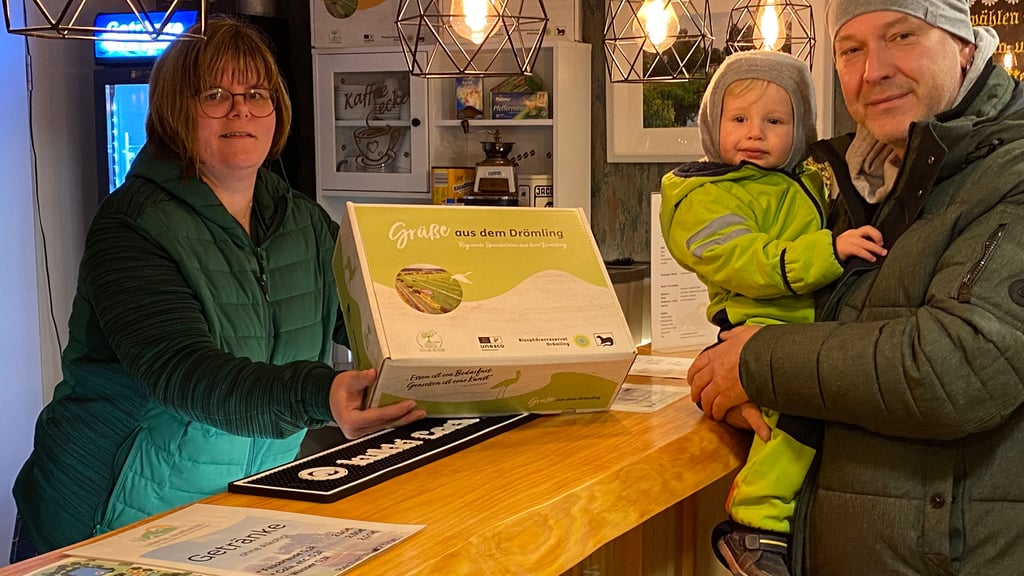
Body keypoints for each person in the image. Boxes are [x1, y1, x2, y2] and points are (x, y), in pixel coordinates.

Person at [9, 17, 426, 561]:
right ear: (175, 111)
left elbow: (383, 320)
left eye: (257, 93)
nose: (241, 110)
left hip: (232, 511)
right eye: (215, 94)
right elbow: (181, 370)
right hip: (104, 515)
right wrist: (317, 394)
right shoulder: (133, 225)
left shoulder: (303, 223)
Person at [687, 0, 1024, 574]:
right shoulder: (860, 177)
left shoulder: (1009, 170)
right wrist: (734, 369)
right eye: (852, 49)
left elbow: (957, 367)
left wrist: (758, 362)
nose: (875, 71)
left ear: (965, 45)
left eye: (902, 36)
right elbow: (813, 325)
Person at [659, 50, 886, 576]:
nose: (754, 132)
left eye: (775, 121)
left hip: (805, 329)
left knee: (810, 421)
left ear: (800, 130)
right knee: (789, 426)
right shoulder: (701, 194)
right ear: (712, 124)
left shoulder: (803, 179)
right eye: (738, 119)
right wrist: (828, 251)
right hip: (759, 326)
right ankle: (754, 526)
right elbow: (744, 261)